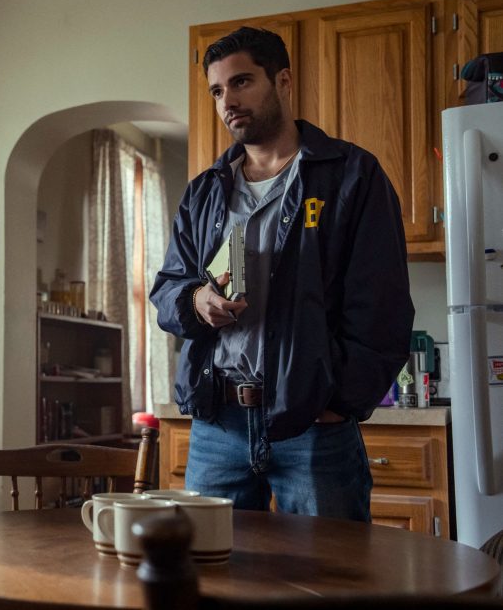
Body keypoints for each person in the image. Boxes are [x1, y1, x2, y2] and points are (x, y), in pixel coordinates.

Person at [150, 27, 413, 521]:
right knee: (210, 566)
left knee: (329, 568)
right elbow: (168, 289)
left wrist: (338, 404)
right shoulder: (204, 192)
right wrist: (196, 302)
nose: (228, 101)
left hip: (313, 427)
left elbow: (383, 307)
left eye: (242, 82)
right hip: (216, 427)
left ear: (283, 81)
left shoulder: (352, 175)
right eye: (217, 91)